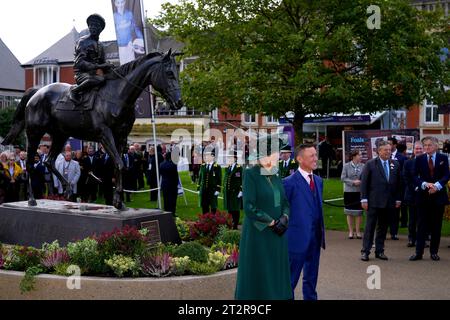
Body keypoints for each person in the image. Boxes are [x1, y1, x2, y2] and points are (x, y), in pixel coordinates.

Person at [235, 134, 291, 300]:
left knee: (276, 268)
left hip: (278, 232)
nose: (278, 157)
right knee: (260, 268)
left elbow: (285, 202)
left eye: (277, 154)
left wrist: (285, 218)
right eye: (275, 154)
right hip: (259, 233)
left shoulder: (275, 173)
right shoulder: (250, 174)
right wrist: (271, 222)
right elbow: (249, 207)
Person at [283, 144, 326, 300]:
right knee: (290, 278)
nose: (316, 158)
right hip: (296, 238)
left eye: (316, 155)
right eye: (311, 156)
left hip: (315, 237)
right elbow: (282, 209)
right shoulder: (288, 183)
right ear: (300, 159)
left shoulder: (319, 181)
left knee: (311, 276)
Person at [360, 140, 402, 261]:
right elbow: (364, 183)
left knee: (383, 228)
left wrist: (398, 199)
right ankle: (365, 251)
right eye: (385, 150)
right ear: (379, 151)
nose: (388, 152)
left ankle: (380, 251)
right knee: (370, 227)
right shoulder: (370, 164)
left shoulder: (395, 164)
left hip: (389, 202)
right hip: (373, 202)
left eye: (389, 150)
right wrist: (364, 199)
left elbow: (399, 184)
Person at [410, 136, 449, 261]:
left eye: (429, 145)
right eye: (425, 145)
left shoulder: (443, 158)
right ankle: (418, 252)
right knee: (421, 225)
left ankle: (434, 252)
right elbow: (414, 176)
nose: (427, 147)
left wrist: (437, 186)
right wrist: (425, 184)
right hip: (423, 197)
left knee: (436, 226)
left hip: (438, 197)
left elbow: (447, 175)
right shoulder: (419, 159)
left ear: (436, 146)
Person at [70, 14, 113, 104]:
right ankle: (74, 91)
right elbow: (79, 63)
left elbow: (103, 62)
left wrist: (109, 67)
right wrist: (100, 66)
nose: (93, 27)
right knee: (99, 79)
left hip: (94, 74)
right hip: (82, 74)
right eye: (91, 25)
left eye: (96, 25)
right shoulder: (83, 42)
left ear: (101, 29)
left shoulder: (100, 45)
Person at [402, 141, 423, 248]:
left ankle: (421, 240)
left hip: (425, 195)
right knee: (412, 219)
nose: (418, 150)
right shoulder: (408, 162)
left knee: (423, 219)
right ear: (413, 150)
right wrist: (415, 188)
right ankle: (411, 239)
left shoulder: (427, 162)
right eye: (417, 148)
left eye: (420, 148)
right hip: (412, 194)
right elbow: (406, 178)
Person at [341, 150, 364, 239]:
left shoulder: (363, 166)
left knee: (358, 213)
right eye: (360, 155)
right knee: (349, 212)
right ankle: (351, 231)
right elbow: (343, 178)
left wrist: (361, 181)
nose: (361, 156)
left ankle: (358, 232)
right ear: (354, 156)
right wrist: (353, 182)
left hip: (359, 192)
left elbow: (366, 177)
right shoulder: (346, 166)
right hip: (349, 191)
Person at [113, 0, 144, 65]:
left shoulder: (129, 14)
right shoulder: (114, 16)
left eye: (122, 2)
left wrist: (141, 38)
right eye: (118, 3)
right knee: (123, 68)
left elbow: (135, 28)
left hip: (130, 45)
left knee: (131, 66)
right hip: (120, 47)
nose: (120, 5)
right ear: (115, 4)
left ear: (124, 3)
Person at [197, 150, 222, 214]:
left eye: (208, 156)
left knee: (213, 205)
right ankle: (205, 220)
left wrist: (218, 189)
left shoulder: (217, 166)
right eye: (206, 156)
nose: (206, 157)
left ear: (213, 157)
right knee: (204, 205)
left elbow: (219, 179)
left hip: (212, 189)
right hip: (204, 189)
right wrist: (198, 188)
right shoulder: (203, 166)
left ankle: (213, 220)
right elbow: (200, 178)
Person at [223, 154, 243, 230]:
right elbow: (226, 179)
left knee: (235, 209)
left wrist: (241, 191)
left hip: (236, 192)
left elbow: (241, 180)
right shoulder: (228, 167)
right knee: (230, 209)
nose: (229, 159)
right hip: (229, 192)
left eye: (231, 158)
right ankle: (230, 223)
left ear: (235, 159)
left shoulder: (239, 168)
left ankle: (235, 225)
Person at [159, 152, 179, 216]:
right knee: (172, 200)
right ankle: (172, 212)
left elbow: (161, 174)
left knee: (166, 199)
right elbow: (175, 175)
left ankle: (166, 212)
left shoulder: (161, 164)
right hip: (172, 184)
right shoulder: (173, 164)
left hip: (164, 183)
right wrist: (176, 183)